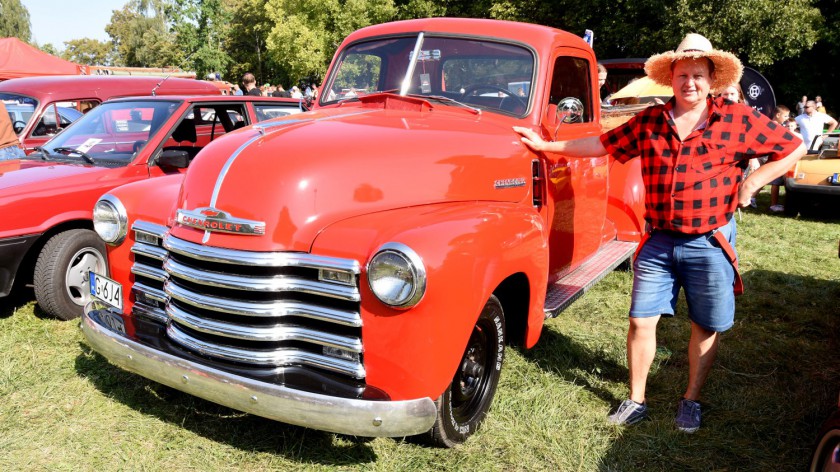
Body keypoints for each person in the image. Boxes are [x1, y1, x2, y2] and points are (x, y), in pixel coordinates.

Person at [514, 33, 805, 433]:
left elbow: (793, 147)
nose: (690, 83)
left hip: (710, 241)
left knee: (704, 326)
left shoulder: (737, 119)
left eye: (698, 75)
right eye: (683, 74)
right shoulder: (651, 121)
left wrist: (753, 184)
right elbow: (600, 144)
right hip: (660, 240)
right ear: (672, 78)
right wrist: (549, 148)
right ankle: (636, 399)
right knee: (640, 320)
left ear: (712, 79)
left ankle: (691, 401)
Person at [766, 105, 801, 212]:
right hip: (776, 157)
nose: (787, 118)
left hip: (780, 157)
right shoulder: (775, 127)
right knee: (775, 181)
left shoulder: (776, 126)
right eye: (785, 116)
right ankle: (773, 204)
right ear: (778, 115)